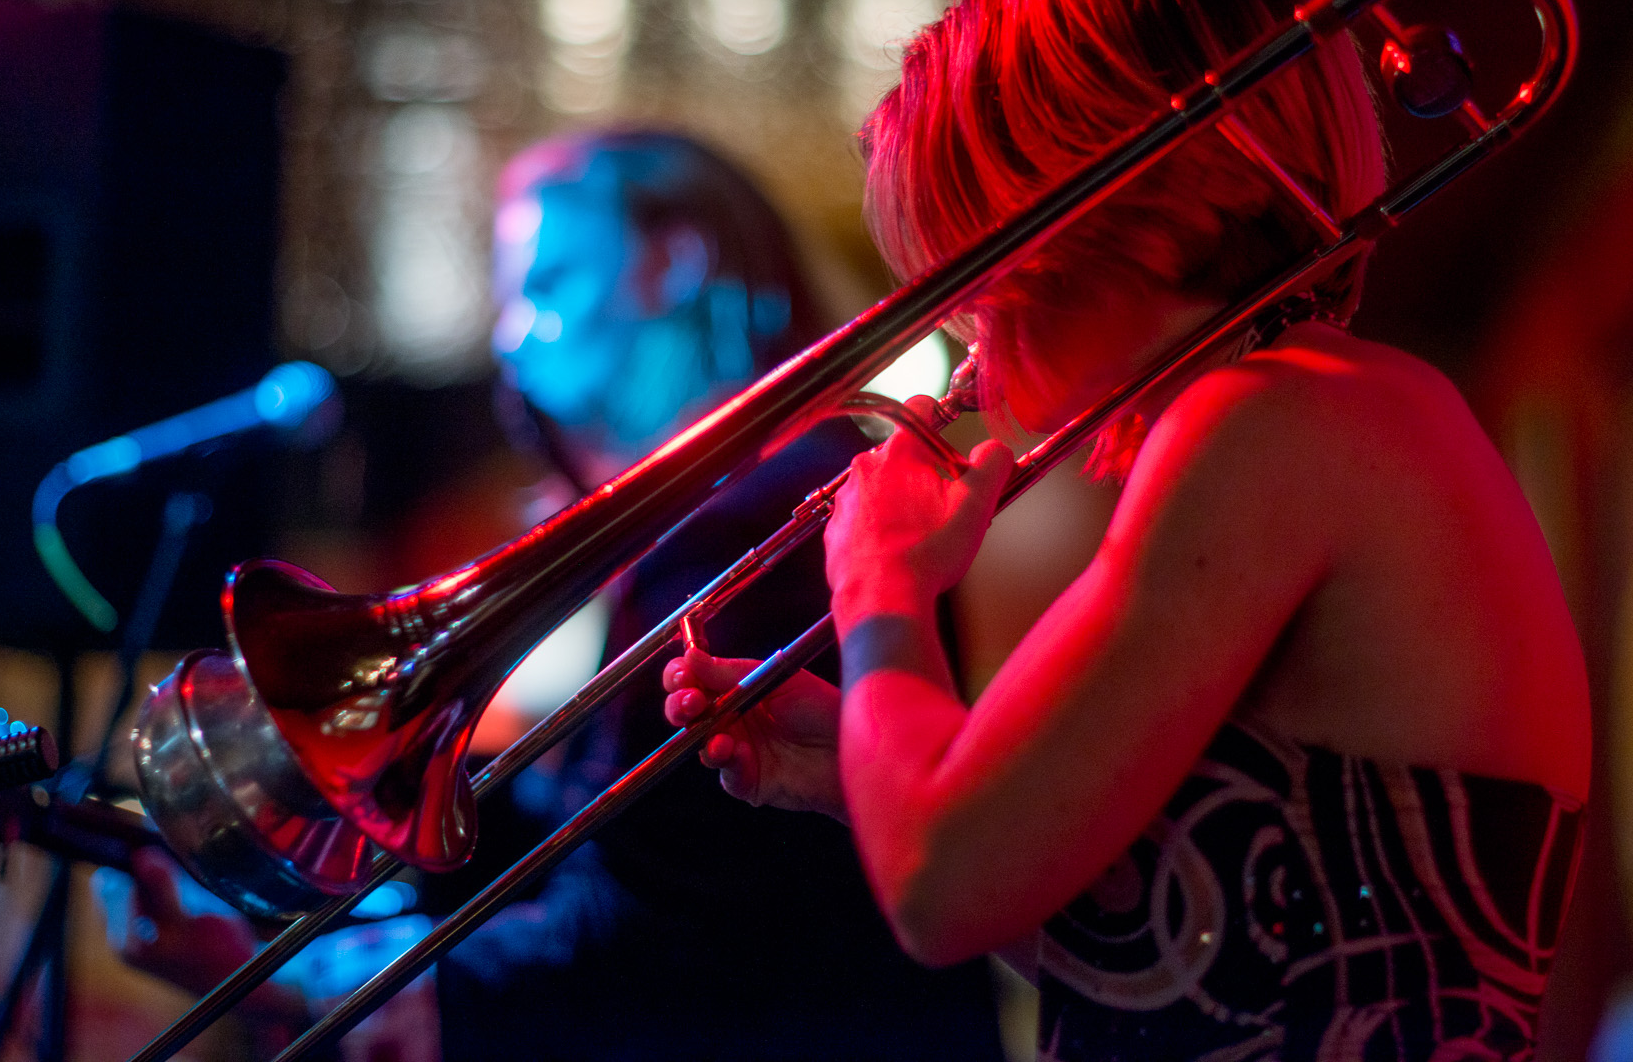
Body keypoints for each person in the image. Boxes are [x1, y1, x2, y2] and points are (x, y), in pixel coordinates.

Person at [665, 0, 1592, 1062]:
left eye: (980, 264)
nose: (969, 338)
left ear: (1135, 201)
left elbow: (941, 891)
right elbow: (1194, 963)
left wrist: (881, 589)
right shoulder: (1318, 418)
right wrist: (867, 765)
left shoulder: (1274, 420)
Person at [117, 129, 1006, 1061]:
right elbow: (605, 852)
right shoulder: (698, 528)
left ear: (675, 261)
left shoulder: (765, 517)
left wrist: (320, 982)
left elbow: (660, 931)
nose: (509, 337)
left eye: (546, 285)